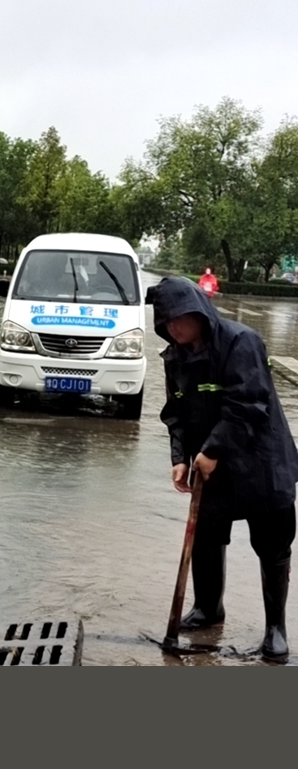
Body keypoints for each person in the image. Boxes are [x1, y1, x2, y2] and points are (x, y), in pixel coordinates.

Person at [146, 276, 298, 660]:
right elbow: (175, 414)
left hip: (261, 462)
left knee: (272, 545)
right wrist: (180, 458)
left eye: (180, 319)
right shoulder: (175, 358)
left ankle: (276, 628)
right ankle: (208, 609)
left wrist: (212, 448)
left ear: (199, 312)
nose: (174, 328)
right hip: (211, 468)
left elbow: (248, 404)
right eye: (166, 324)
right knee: (207, 536)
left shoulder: (240, 341)